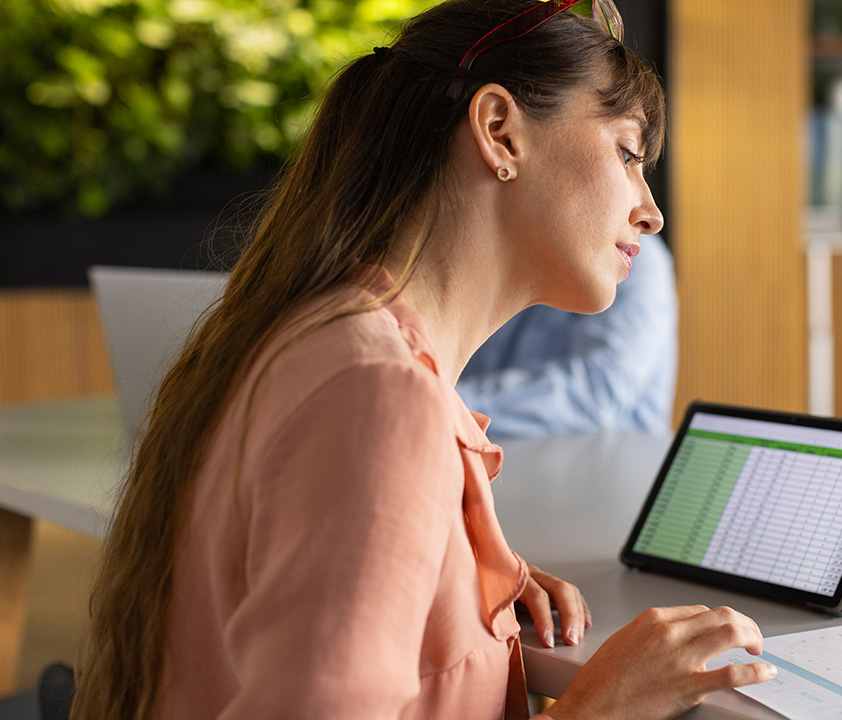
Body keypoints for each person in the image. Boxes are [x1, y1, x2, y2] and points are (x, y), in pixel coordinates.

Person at [72, 1, 776, 719]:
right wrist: (598, 706)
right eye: (628, 154)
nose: (650, 210)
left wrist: (456, 581)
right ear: (499, 131)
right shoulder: (377, 391)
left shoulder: (322, 338)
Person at [456, 232, 677, 436]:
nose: (653, 217)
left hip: (611, 468)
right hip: (499, 456)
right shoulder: (505, 251)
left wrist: (449, 405)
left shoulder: (636, 259)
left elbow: (594, 394)